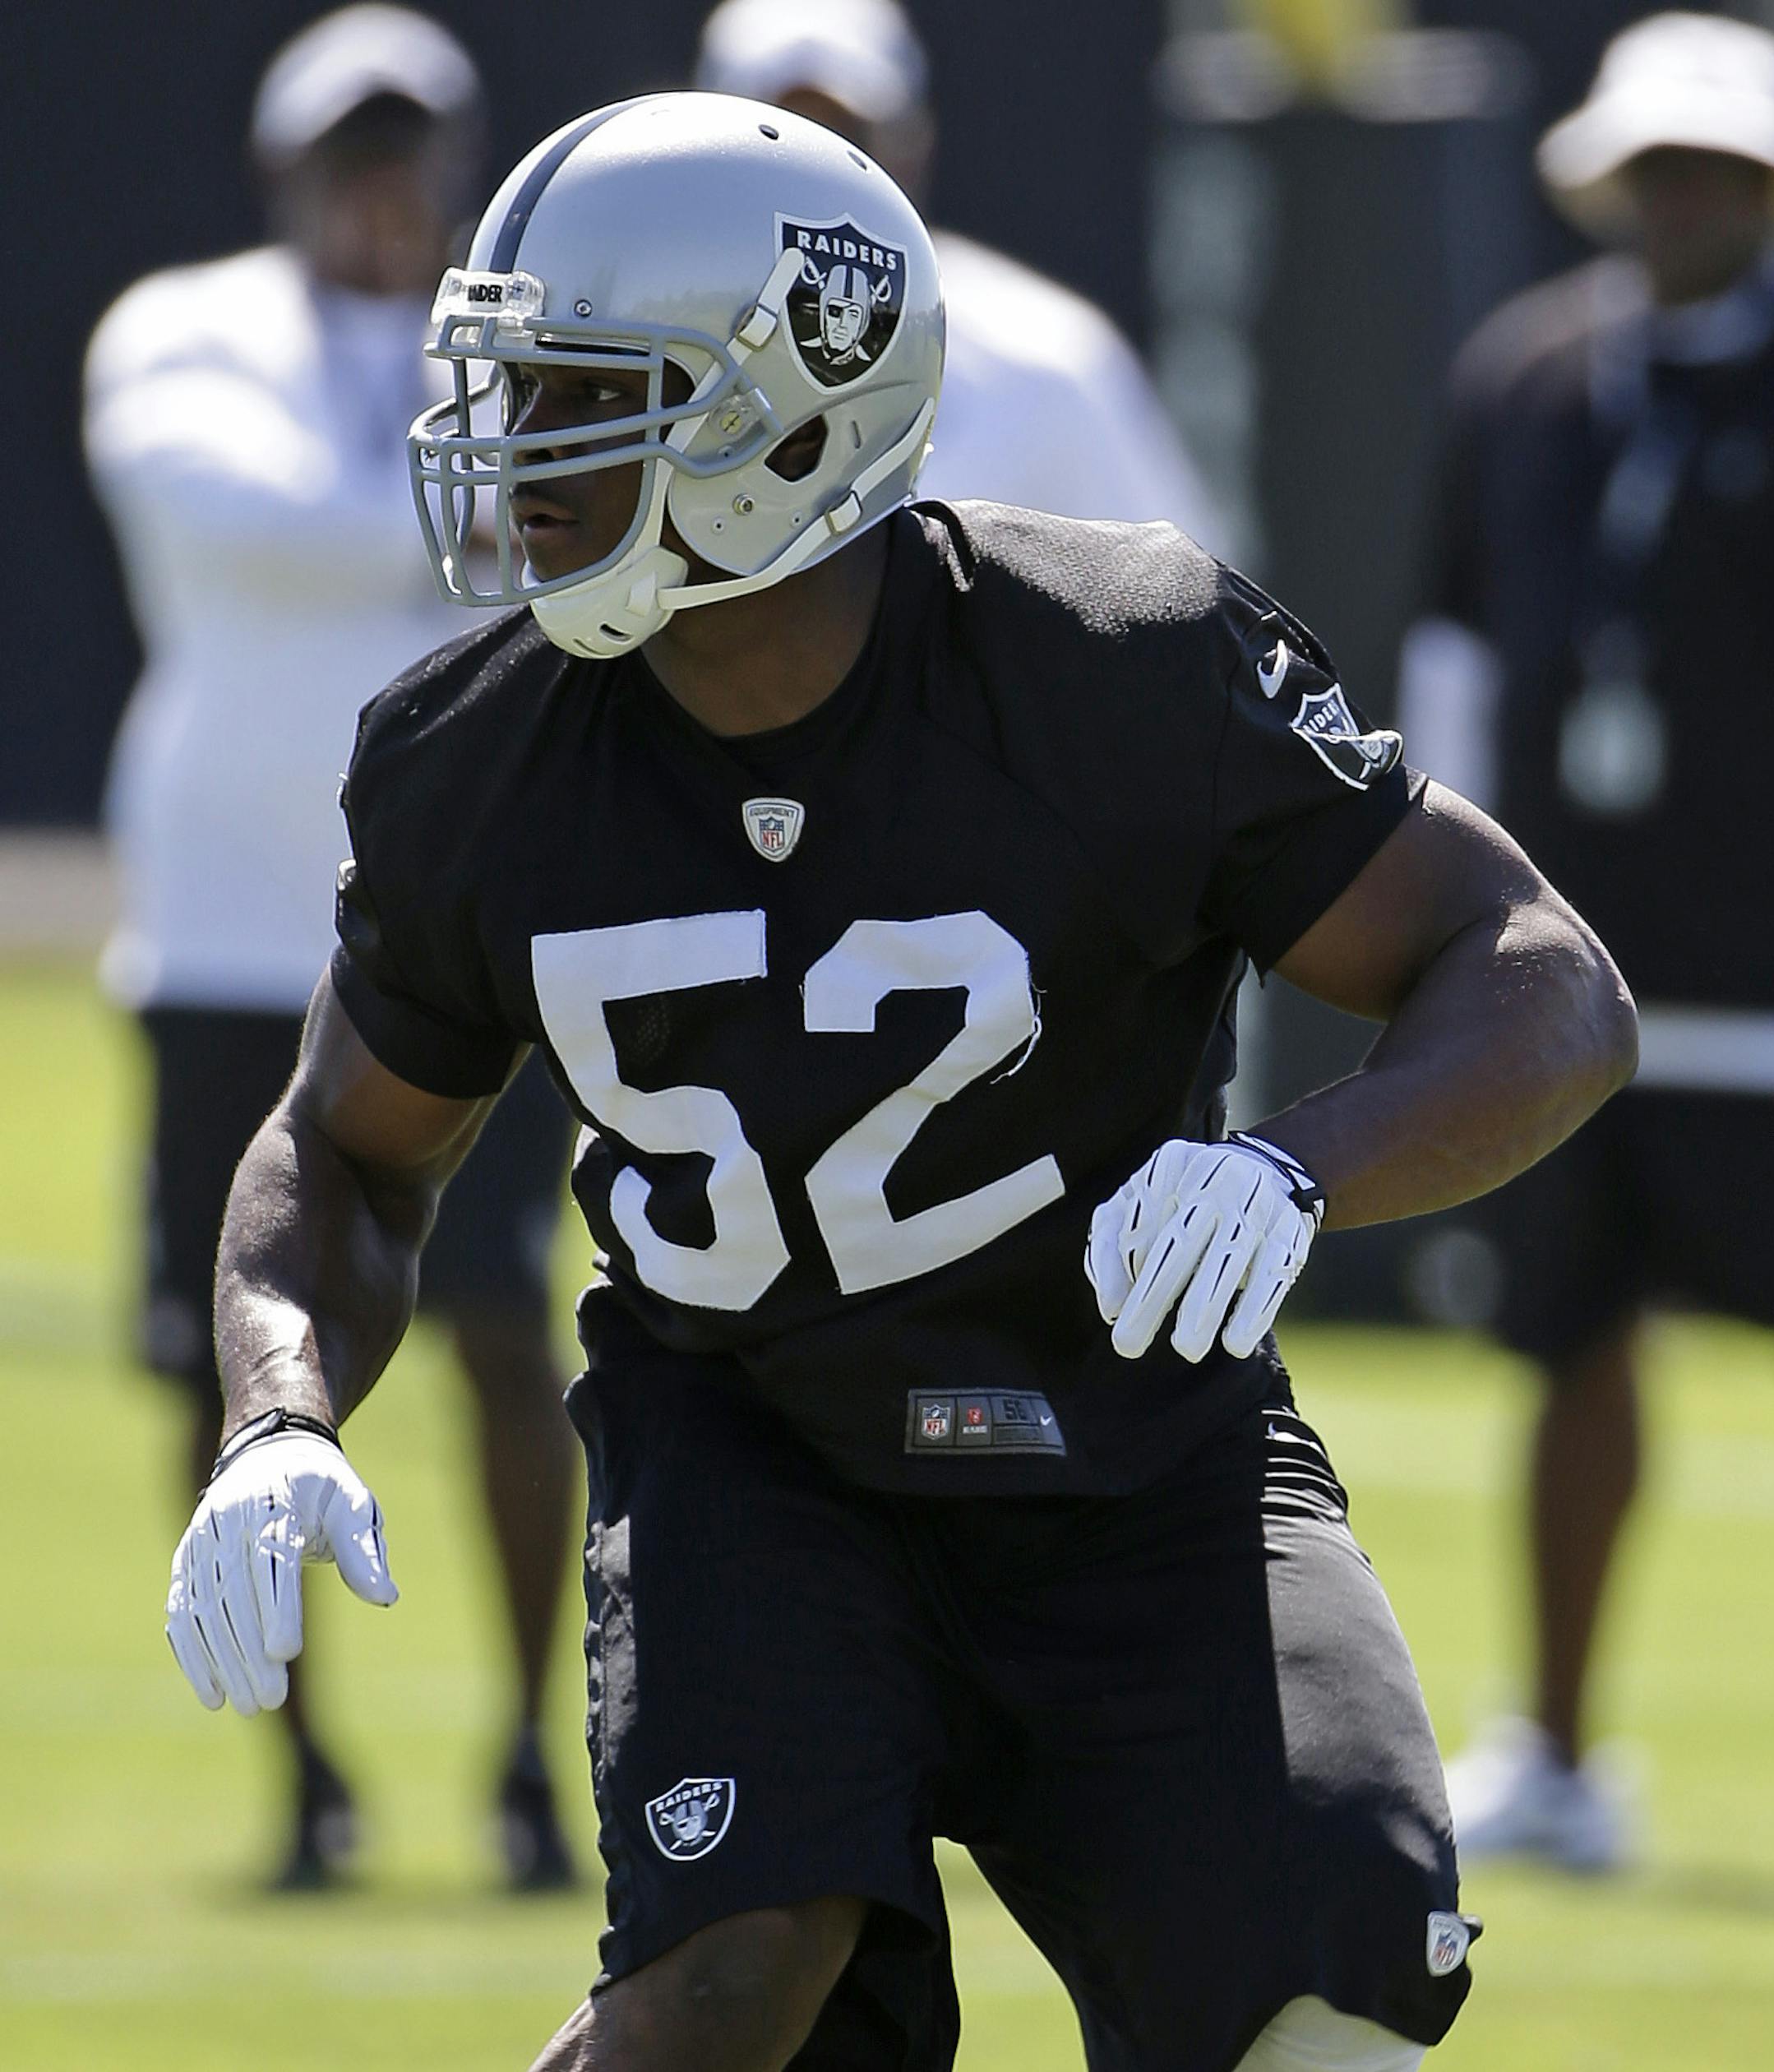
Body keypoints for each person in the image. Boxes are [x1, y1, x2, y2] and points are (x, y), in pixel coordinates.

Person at [163, 94, 1634, 2071]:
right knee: (724, 1996)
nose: (510, 458)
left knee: (1324, 2020)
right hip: (755, 1457)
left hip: (1138, 1465)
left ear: (786, 413)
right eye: (504, 392)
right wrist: (277, 1411)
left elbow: (1540, 978)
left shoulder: (1108, 661)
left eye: (578, 394)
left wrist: (1298, 1167)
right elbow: (347, 1153)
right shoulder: (475, 761)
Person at [87, 5, 579, 1889]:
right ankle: (301, 1777)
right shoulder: (182, 325)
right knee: (222, 1343)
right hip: (224, 924)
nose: (381, 195)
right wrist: (469, 513)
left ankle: (532, 1762)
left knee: (497, 1329)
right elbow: (239, 511)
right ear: (286, 171)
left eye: (408, 155)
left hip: (465, 922)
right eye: (347, 158)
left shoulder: (515, 325)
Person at [1399, 10, 1774, 1874]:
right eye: (1659, 168)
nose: (1684, 199)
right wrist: (1448, 924)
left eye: (1719, 168)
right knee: (1569, 1345)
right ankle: (1550, 1751)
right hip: (1578, 981)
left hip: (1765, 980)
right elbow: (1455, 651)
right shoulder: (1525, 376)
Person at [694, 0, 1225, 541]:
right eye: (776, 148)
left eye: (846, 145)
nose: (815, 194)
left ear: (911, 148)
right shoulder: (633, 350)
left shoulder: (1048, 363)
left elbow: (1179, 597)